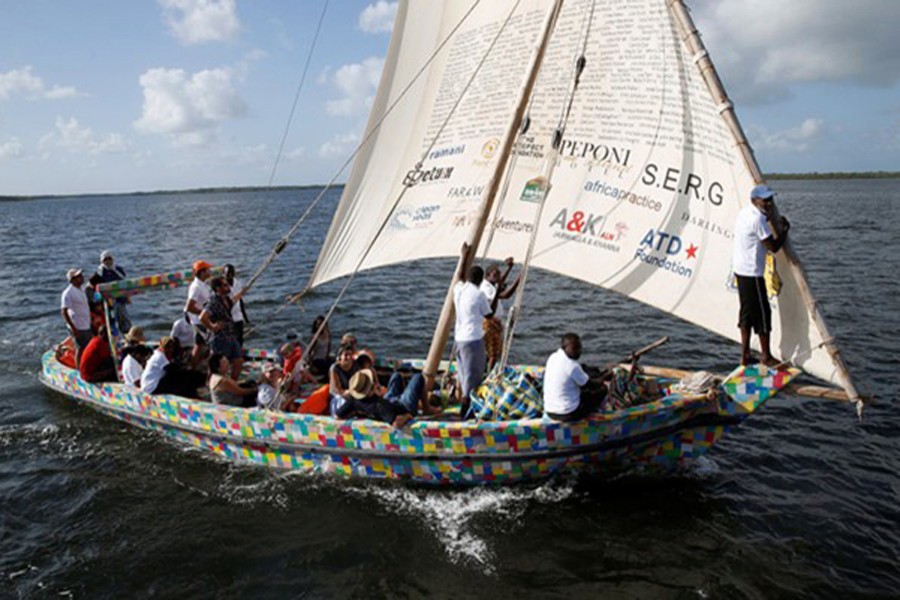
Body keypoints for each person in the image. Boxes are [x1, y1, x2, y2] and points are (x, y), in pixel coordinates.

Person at [732, 184, 790, 366]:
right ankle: (765, 356)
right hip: (752, 273)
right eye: (765, 200)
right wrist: (784, 231)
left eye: (770, 199)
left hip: (740, 269)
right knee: (763, 314)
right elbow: (773, 246)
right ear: (754, 200)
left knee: (747, 313)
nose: (769, 203)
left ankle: (745, 356)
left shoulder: (744, 212)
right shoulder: (758, 219)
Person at [452, 242, 499, 414]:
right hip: (473, 341)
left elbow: (460, 275)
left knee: (464, 375)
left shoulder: (459, 289)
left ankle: (464, 404)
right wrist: (497, 294)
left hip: (459, 339)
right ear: (480, 280)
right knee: (474, 378)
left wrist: (463, 257)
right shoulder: (479, 295)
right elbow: (489, 314)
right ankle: (466, 413)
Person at [543, 333, 600, 422]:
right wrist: (604, 379)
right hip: (568, 413)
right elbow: (591, 386)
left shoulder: (552, 357)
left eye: (579, 348)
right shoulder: (572, 366)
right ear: (565, 347)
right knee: (601, 391)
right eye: (575, 349)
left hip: (549, 410)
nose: (579, 351)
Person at [200, 276, 246, 380]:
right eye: (225, 285)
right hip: (220, 338)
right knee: (217, 366)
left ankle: (233, 382)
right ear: (218, 288)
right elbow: (202, 317)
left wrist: (243, 292)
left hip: (231, 335)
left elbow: (233, 301)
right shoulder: (214, 302)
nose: (228, 286)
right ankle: (212, 384)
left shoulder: (226, 299)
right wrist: (212, 326)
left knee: (238, 361)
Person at [480, 257, 520, 370]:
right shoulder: (486, 288)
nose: (498, 278)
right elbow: (505, 295)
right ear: (488, 275)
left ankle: (488, 368)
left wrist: (510, 268)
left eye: (498, 275)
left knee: (496, 351)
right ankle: (489, 374)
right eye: (495, 275)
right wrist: (519, 279)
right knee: (493, 353)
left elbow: (500, 281)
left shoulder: (492, 284)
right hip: (490, 323)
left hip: (495, 323)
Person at [342, 369, 413, 429]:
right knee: (418, 377)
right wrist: (407, 416)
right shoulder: (379, 405)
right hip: (403, 406)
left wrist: (356, 413)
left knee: (396, 376)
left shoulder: (353, 401)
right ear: (371, 388)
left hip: (388, 401)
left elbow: (338, 415)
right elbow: (396, 425)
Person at [60, 268, 92, 368]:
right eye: (78, 277)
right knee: (80, 347)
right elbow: (64, 311)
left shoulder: (81, 289)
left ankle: (85, 365)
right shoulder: (68, 293)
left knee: (87, 346)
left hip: (86, 323)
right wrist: (73, 328)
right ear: (73, 280)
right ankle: (79, 368)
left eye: (81, 276)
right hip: (77, 325)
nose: (82, 278)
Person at [184, 260, 213, 367]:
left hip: (201, 320)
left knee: (199, 345)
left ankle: (195, 366)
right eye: (208, 270)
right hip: (199, 321)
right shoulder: (196, 287)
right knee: (201, 345)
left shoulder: (203, 284)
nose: (210, 271)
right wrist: (205, 312)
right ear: (202, 272)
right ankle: (194, 368)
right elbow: (189, 307)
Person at [96, 250, 131, 334]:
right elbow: (97, 288)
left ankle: (128, 336)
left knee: (124, 320)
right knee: (111, 321)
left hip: (120, 299)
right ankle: (114, 338)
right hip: (108, 302)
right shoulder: (100, 272)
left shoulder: (118, 269)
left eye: (109, 259)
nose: (108, 261)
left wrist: (127, 297)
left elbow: (124, 281)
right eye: (105, 259)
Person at [328, 344, 359, 418]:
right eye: (345, 355)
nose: (347, 357)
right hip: (338, 396)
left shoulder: (356, 366)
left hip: (352, 394)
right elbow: (337, 389)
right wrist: (348, 392)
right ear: (340, 357)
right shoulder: (335, 368)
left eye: (350, 355)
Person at [223, 264, 250, 346]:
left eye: (232, 273)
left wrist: (245, 317)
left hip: (238, 316)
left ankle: (239, 354)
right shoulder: (221, 285)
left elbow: (240, 300)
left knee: (240, 339)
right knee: (229, 339)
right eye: (228, 273)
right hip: (227, 318)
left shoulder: (237, 283)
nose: (230, 275)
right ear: (224, 274)